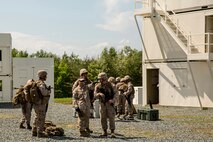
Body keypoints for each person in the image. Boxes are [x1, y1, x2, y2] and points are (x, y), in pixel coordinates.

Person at [94, 72, 116, 138]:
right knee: (102, 118)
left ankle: (112, 132)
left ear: (105, 78)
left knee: (111, 118)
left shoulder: (112, 85)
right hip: (102, 104)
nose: (100, 80)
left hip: (110, 104)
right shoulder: (98, 86)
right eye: (99, 79)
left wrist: (113, 100)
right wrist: (99, 94)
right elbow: (94, 95)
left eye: (101, 79)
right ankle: (104, 131)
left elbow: (116, 94)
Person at [32, 70, 51, 138]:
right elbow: (44, 93)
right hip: (40, 103)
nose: (46, 77)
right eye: (45, 75)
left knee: (37, 116)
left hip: (36, 103)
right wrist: (49, 91)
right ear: (43, 76)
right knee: (41, 117)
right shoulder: (41, 84)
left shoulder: (36, 83)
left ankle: (34, 131)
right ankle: (40, 132)